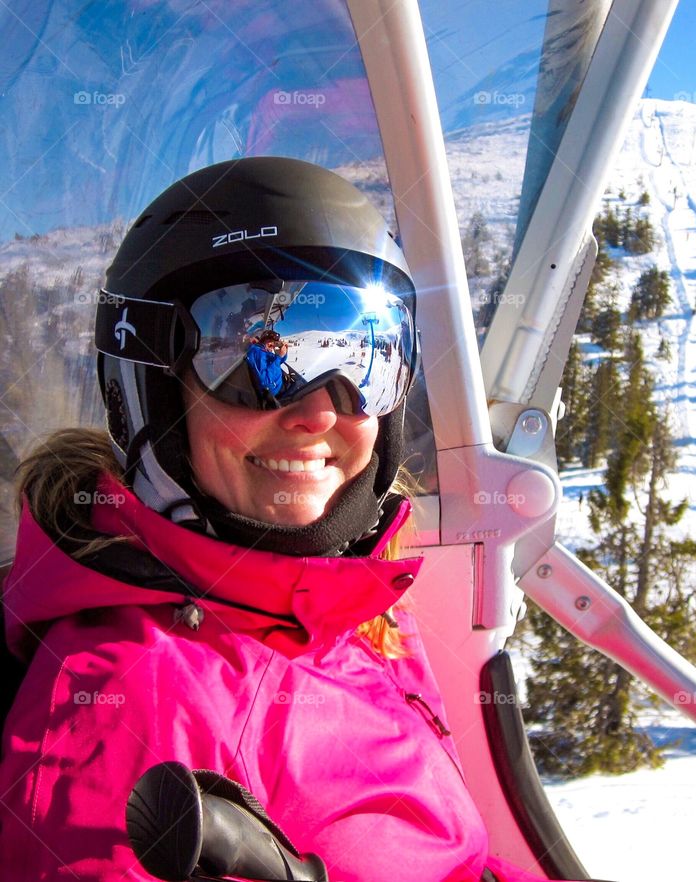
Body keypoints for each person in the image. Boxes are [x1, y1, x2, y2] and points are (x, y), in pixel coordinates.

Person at [0, 158, 542, 882]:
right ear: (151, 387)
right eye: (257, 366)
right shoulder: (127, 701)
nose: (320, 409)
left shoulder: (352, 607)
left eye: (363, 358)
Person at [245, 329, 289, 404]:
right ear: (264, 340)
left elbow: (279, 361)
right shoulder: (259, 353)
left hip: (278, 383)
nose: (273, 344)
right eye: (270, 341)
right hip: (275, 391)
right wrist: (278, 357)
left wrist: (284, 353)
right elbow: (266, 381)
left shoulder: (264, 350)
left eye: (274, 342)